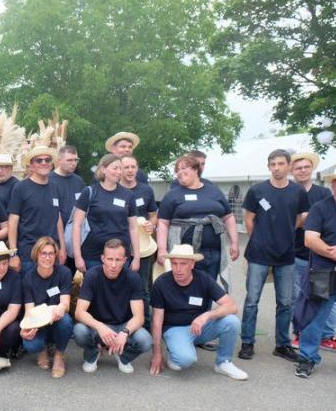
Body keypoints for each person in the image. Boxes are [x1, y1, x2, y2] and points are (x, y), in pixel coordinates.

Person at [239, 149, 309, 362]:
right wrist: (260, 238)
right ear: (269, 166)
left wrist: (285, 234)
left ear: (288, 166)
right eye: (273, 164)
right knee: (252, 301)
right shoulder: (257, 190)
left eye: (281, 164)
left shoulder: (298, 192)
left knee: (286, 302)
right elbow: (248, 219)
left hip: (286, 255)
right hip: (259, 254)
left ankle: (282, 344)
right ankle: (247, 342)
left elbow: (301, 218)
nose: (277, 168)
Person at [149, 244, 248, 380]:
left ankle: (223, 362)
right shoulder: (161, 283)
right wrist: (157, 353)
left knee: (232, 322)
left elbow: (232, 306)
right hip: (174, 329)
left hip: (199, 327)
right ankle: (175, 354)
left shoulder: (204, 279)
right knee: (185, 360)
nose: (177, 269)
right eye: (174, 264)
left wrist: (207, 315)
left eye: (183, 264)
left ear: (192, 264)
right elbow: (157, 320)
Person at [156, 155, 240, 284]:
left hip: (213, 252)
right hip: (184, 254)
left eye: (183, 168)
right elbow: (163, 223)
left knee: (209, 289)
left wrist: (234, 242)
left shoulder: (214, 191)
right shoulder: (172, 195)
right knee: (186, 288)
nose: (179, 172)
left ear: (196, 169)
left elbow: (228, 216)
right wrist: (162, 249)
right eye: (177, 170)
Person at [74, 239, 151, 374]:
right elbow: (79, 312)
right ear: (102, 258)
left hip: (123, 325)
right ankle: (93, 353)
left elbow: (139, 317)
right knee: (79, 331)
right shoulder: (92, 275)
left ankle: (123, 356)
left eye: (118, 260)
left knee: (145, 340)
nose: (113, 265)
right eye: (110, 259)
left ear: (125, 260)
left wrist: (125, 333)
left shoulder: (133, 278)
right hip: (98, 326)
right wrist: (100, 326)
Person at [289, 152, 335, 349]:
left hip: (323, 256)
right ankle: (300, 332)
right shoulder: (288, 192)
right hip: (296, 252)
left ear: (312, 169)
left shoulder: (323, 194)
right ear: (292, 171)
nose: (302, 171)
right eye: (298, 168)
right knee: (300, 297)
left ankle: (328, 335)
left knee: (327, 299)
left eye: (306, 167)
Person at [295, 172, 336, 378]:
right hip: (324, 272)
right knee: (315, 317)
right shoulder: (320, 208)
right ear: (333, 185)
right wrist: (332, 252)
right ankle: (307, 358)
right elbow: (310, 240)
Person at [72, 154, 140, 273]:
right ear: (103, 169)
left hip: (120, 256)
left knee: (119, 291)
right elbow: (77, 225)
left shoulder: (128, 195)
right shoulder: (89, 192)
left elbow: (133, 228)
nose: (119, 172)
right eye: (115, 168)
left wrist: (137, 257)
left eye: (120, 168)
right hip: (93, 255)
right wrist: (78, 256)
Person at [20, 237, 73, 378]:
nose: (47, 257)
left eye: (51, 253)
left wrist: (61, 308)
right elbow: (29, 310)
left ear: (56, 255)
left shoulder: (64, 273)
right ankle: (42, 349)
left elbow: (65, 303)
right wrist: (25, 329)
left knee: (66, 320)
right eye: (43, 253)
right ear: (36, 255)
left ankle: (59, 355)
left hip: (57, 319)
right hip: (38, 322)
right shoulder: (28, 278)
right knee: (30, 345)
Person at [8, 146, 66, 273]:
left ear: (51, 164)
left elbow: (58, 219)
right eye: (39, 160)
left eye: (47, 159)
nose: (44, 162)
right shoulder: (21, 187)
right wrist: (13, 254)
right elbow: (13, 222)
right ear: (32, 166)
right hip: (28, 255)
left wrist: (62, 248)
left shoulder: (55, 188)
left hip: (52, 253)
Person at [120, 154, 158, 328]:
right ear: (120, 169)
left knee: (142, 288)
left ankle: (146, 327)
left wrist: (152, 225)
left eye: (132, 167)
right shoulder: (114, 189)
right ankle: (121, 324)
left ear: (137, 169)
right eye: (125, 167)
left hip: (142, 247)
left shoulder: (146, 190)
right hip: (118, 246)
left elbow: (153, 214)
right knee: (119, 286)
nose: (129, 171)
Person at [49, 145, 85, 274]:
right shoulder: (49, 180)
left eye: (75, 160)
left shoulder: (79, 181)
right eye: (69, 160)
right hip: (55, 239)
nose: (73, 163)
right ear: (59, 161)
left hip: (75, 239)